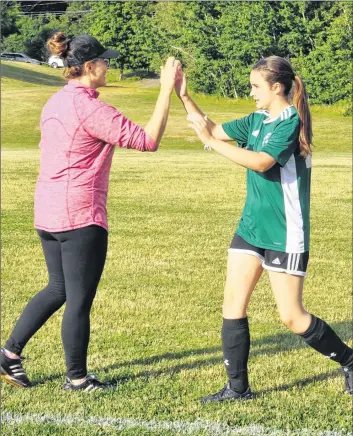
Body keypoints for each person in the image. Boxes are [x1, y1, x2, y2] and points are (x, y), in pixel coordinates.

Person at [0, 32, 180, 392]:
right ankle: (77, 378)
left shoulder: (55, 102)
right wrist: (165, 90)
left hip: (48, 211)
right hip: (80, 214)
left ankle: (9, 355)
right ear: (89, 66)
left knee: (58, 288)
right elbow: (148, 141)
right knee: (78, 300)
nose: (109, 65)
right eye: (104, 60)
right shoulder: (92, 109)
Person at [174, 56, 353, 402]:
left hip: (284, 232)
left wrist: (213, 144)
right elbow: (210, 128)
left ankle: (349, 360)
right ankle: (237, 388)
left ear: (277, 87)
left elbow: (261, 162)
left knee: (291, 316)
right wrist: (184, 95)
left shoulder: (289, 122)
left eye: (256, 86)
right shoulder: (257, 120)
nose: (251, 92)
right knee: (232, 304)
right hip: (251, 227)